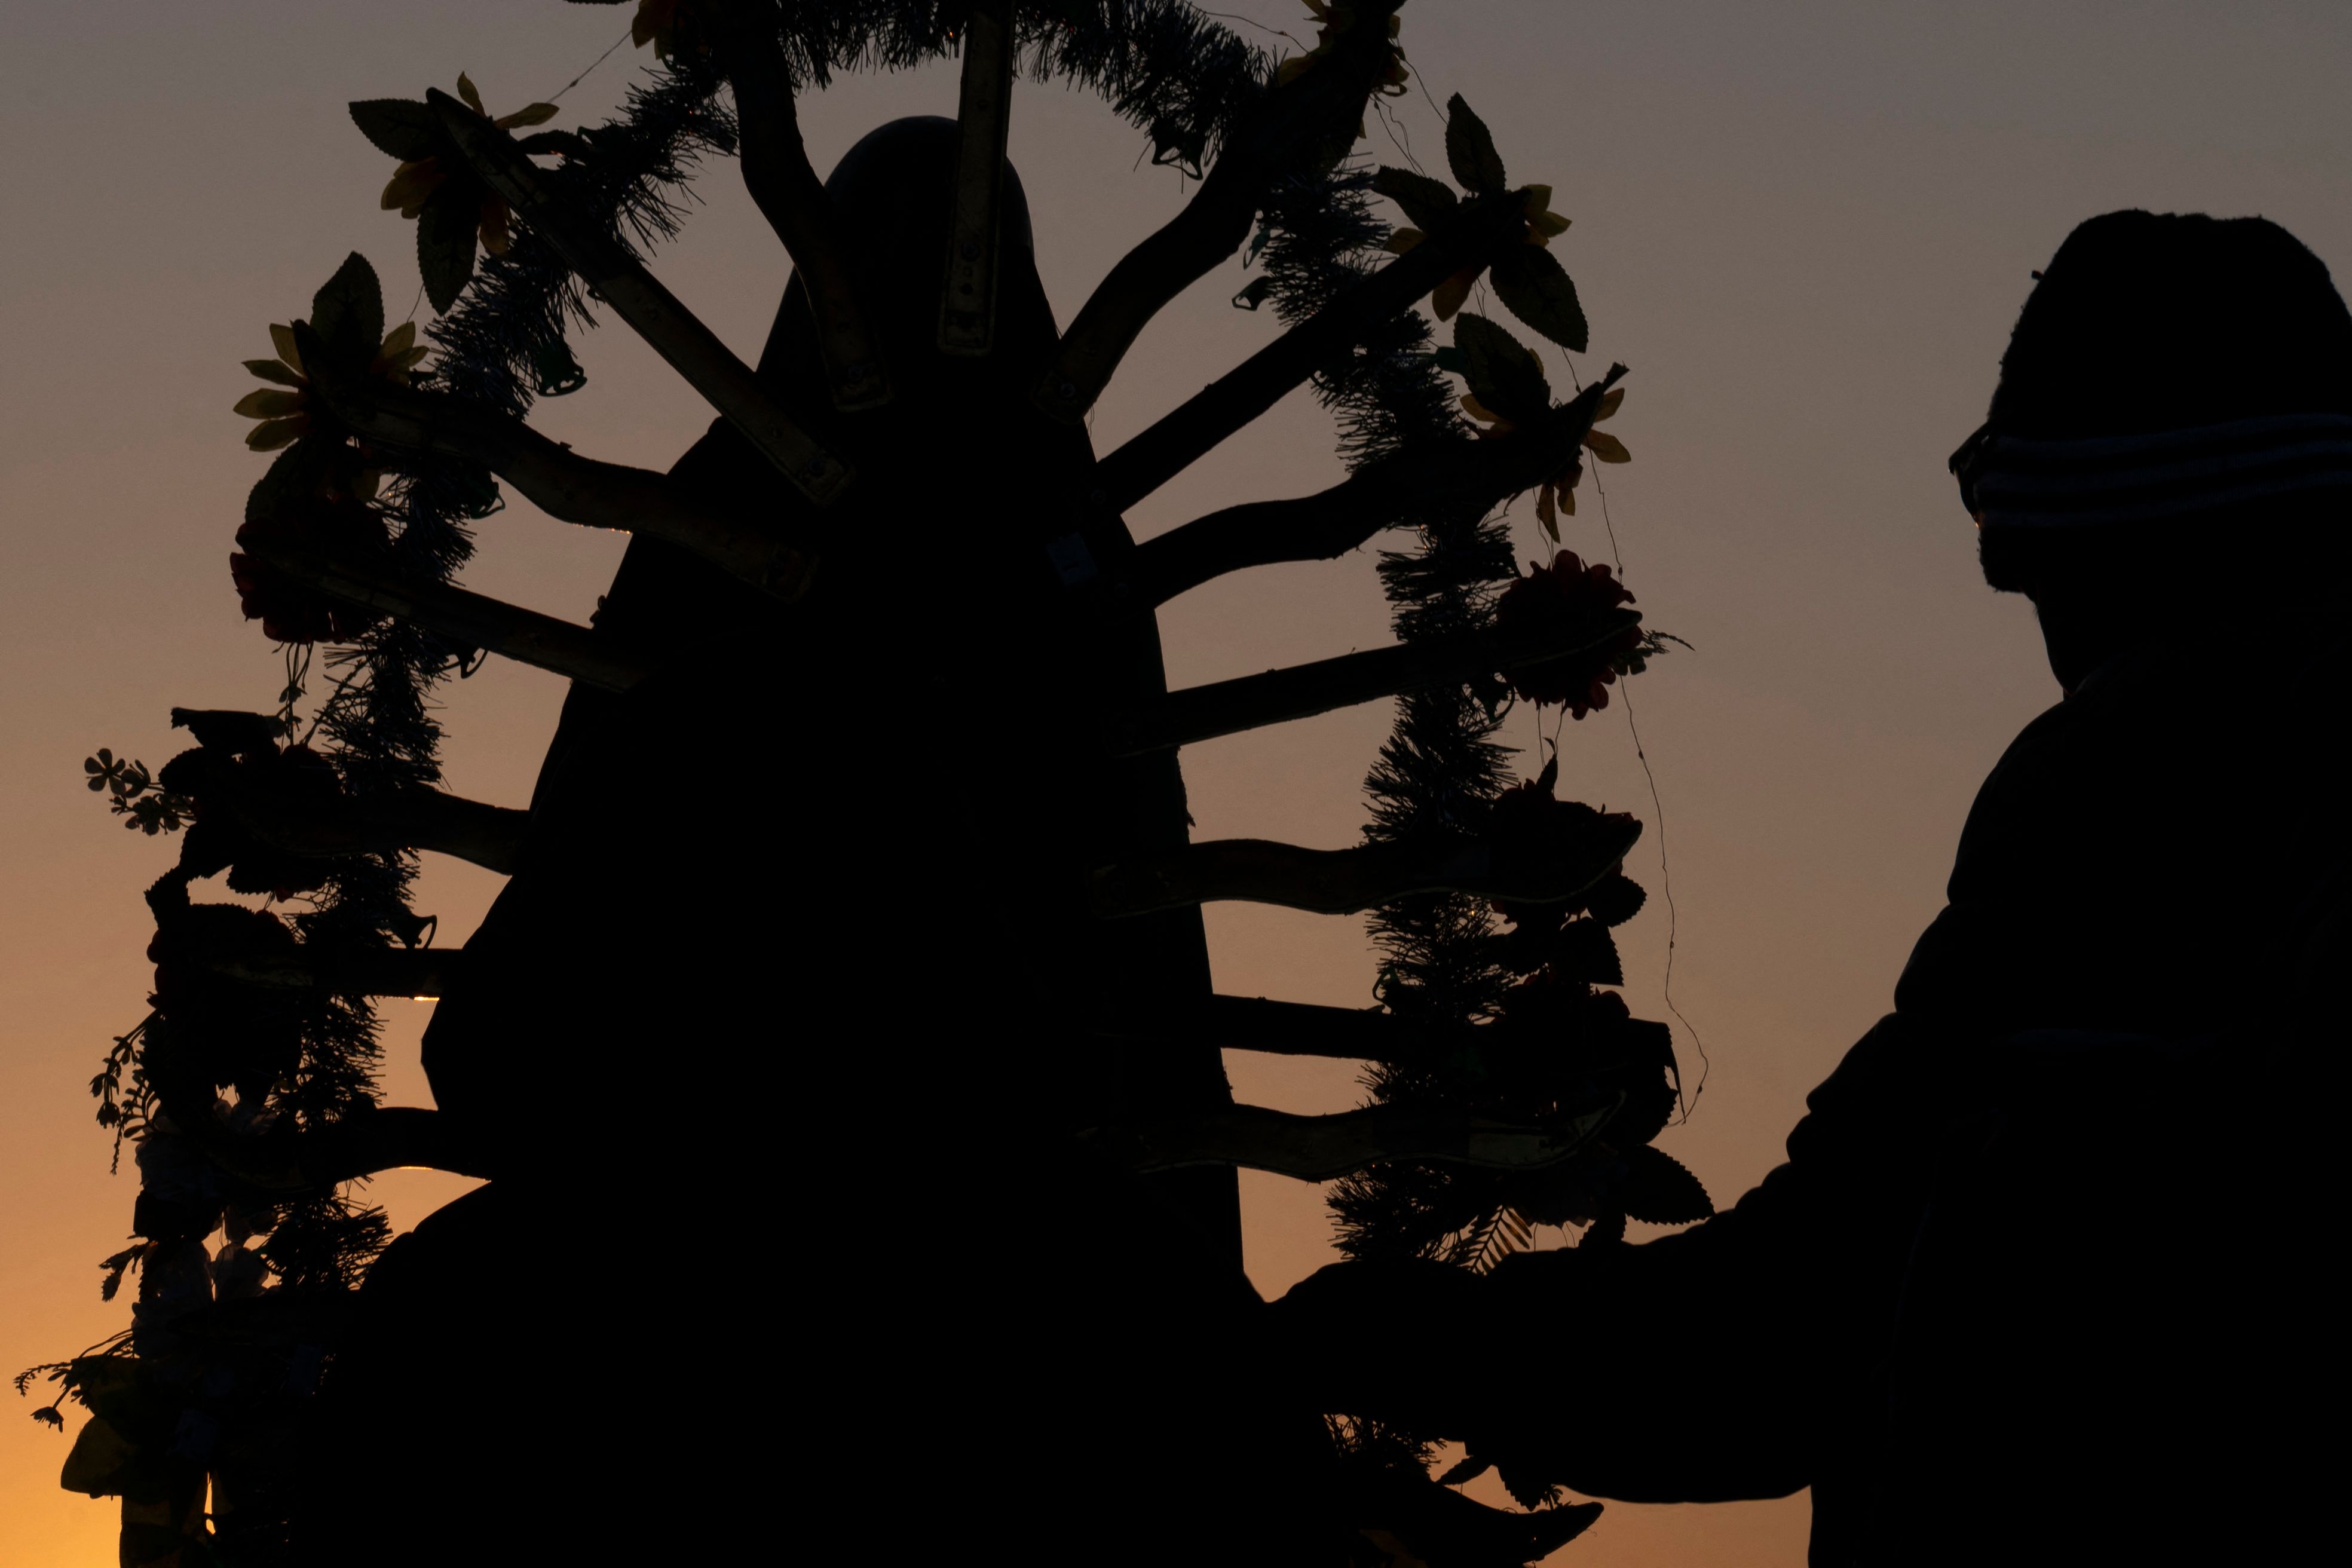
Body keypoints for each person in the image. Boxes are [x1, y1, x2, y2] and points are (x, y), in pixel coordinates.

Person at [1273, 210, 2351, 1566]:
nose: (2043, 637)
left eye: (2027, 561)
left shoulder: (2148, 789)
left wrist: (1386, 1338)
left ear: (2102, 542)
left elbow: (1787, 1331)